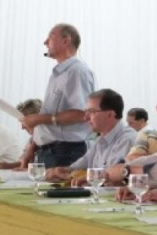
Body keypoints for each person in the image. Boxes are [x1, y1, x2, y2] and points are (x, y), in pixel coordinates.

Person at [20, 23, 96, 167]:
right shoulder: (59, 74)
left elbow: (81, 114)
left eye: (50, 37)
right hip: (50, 151)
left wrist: (38, 119)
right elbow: (51, 118)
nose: (45, 42)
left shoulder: (77, 71)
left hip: (65, 151)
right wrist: (32, 147)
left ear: (66, 41)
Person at [45, 89, 138, 183]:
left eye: (92, 112)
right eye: (86, 112)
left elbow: (114, 178)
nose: (86, 117)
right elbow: (81, 165)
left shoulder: (127, 139)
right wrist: (64, 171)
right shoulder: (100, 140)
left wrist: (84, 177)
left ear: (110, 114)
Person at [15, 98, 43, 167]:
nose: (22, 127)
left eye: (24, 122)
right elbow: (21, 163)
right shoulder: (31, 140)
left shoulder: (53, 142)